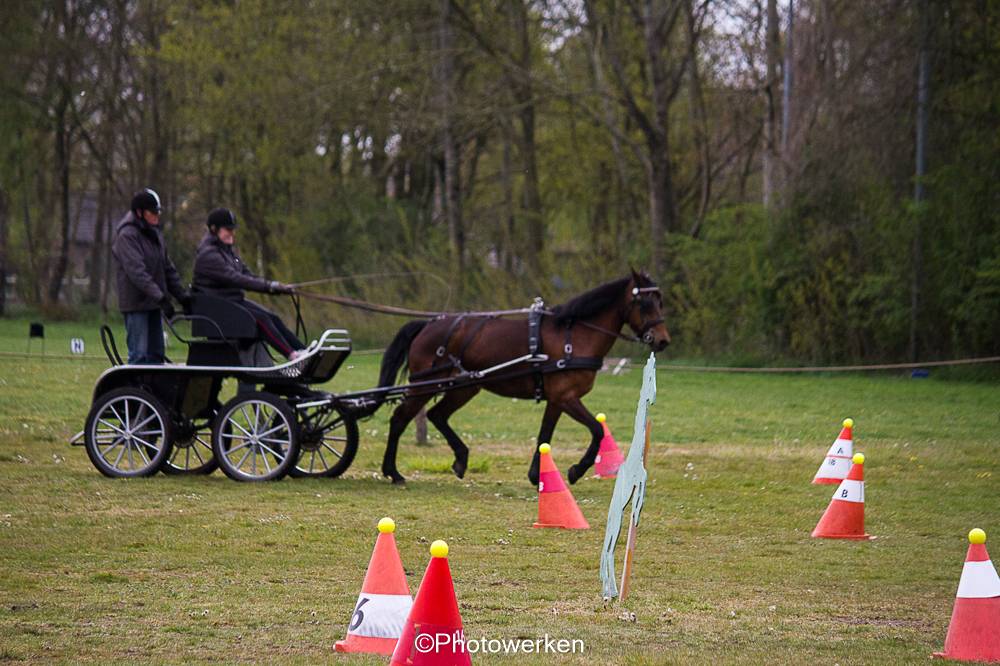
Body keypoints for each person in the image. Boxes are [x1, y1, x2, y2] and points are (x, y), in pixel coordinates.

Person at [192, 208, 305, 360]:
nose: (232, 233)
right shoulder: (209, 255)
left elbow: (248, 275)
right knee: (260, 320)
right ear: (214, 229)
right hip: (218, 307)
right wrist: (269, 286)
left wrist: (276, 287)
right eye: (228, 229)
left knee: (272, 317)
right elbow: (236, 278)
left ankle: (302, 350)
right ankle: (291, 355)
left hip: (231, 302)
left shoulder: (228, 252)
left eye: (233, 229)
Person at [112, 188, 190, 364]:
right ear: (140, 213)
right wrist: (161, 298)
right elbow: (137, 273)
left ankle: (154, 390)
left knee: (156, 354)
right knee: (139, 355)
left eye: (158, 212)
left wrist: (182, 296)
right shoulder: (127, 236)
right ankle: (135, 390)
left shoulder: (154, 233)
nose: (157, 216)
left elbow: (167, 267)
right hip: (137, 305)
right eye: (153, 212)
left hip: (153, 304)